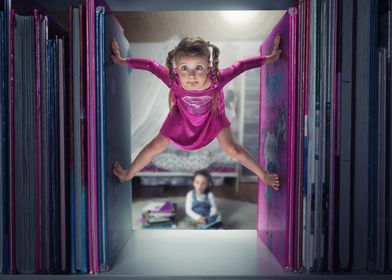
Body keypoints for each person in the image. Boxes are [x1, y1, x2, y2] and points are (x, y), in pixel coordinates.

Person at [111, 34, 282, 190]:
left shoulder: (217, 79)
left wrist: (269, 58)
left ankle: (264, 175)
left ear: (208, 67)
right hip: (182, 118)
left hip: (212, 116)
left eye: (198, 68)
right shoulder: (173, 80)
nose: (191, 75)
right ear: (176, 68)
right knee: (155, 145)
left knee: (232, 150)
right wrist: (122, 60)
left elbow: (241, 65)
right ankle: (128, 174)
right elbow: (150, 65)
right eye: (185, 68)